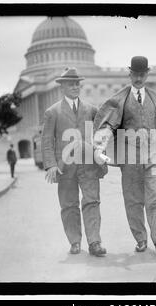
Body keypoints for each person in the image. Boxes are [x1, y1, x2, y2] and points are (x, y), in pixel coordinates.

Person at [93, 56, 156, 254]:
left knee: (155, 198)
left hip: (153, 156)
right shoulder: (120, 99)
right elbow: (108, 125)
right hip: (130, 158)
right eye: (135, 74)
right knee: (133, 199)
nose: (138, 78)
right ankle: (141, 238)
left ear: (147, 74)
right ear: (130, 74)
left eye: (142, 74)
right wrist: (99, 148)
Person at [41, 67, 108, 257]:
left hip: (88, 165)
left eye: (77, 83)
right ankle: (75, 242)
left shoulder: (91, 109)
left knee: (92, 202)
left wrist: (99, 151)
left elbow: (103, 132)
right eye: (71, 83)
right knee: (69, 205)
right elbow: (46, 141)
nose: (75, 86)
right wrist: (51, 164)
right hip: (65, 167)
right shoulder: (52, 112)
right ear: (62, 87)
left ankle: (95, 242)